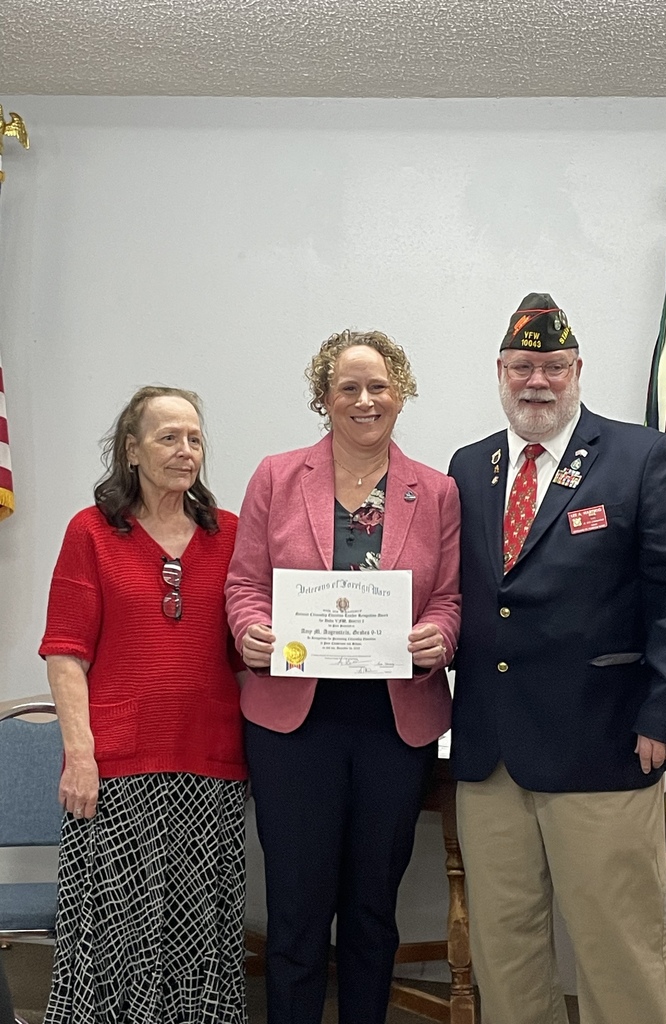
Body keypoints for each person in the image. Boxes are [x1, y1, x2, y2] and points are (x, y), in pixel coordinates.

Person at [448, 294, 666, 1024]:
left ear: (577, 371)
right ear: (500, 372)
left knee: (615, 950)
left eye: (554, 367)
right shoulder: (470, 466)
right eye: (522, 367)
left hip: (605, 745)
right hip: (490, 755)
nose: (537, 382)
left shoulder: (640, 456)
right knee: (504, 953)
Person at [225, 329, 461, 1024]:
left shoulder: (438, 491)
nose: (365, 400)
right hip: (293, 726)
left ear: (401, 393)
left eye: (378, 386)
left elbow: (450, 597)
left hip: (395, 724)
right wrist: (250, 629)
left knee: (371, 906)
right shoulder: (276, 477)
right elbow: (244, 583)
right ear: (324, 398)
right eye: (348, 387)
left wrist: (439, 637)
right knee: (297, 907)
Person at [39, 386, 248, 1024]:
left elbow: (248, 647)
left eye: (195, 438)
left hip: (208, 767)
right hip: (115, 771)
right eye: (168, 437)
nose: (186, 451)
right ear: (131, 450)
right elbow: (65, 653)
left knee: (199, 936)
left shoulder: (231, 534)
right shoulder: (90, 532)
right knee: (112, 937)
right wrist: (80, 756)